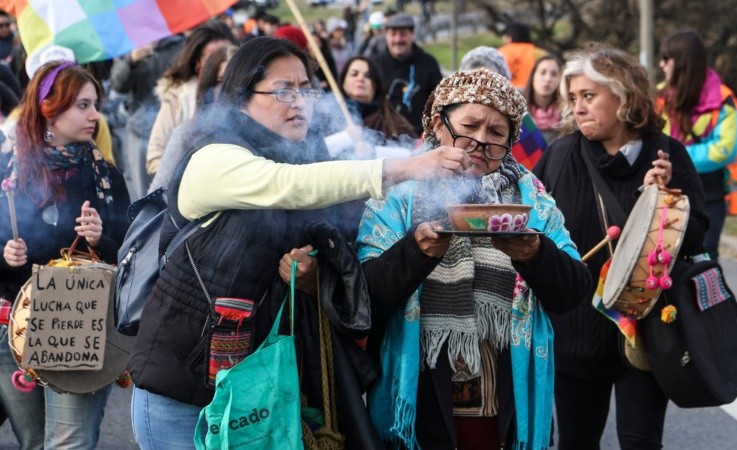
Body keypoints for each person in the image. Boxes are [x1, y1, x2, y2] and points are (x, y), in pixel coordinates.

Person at [127, 37, 472, 449]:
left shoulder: (302, 156)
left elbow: (337, 233)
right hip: (183, 391)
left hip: (257, 390)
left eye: (306, 89)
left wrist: (314, 275)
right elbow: (289, 187)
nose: (300, 102)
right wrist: (408, 167)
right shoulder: (213, 157)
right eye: (283, 91)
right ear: (241, 99)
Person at [356, 68, 592, 449]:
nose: (481, 142)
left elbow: (573, 290)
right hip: (423, 392)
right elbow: (365, 297)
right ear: (438, 122)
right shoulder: (400, 192)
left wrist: (535, 255)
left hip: (506, 399)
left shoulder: (530, 196)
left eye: (496, 133)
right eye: (469, 125)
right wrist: (417, 253)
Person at [532, 44, 708, 450]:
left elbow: (696, 237)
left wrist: (665, 204)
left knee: (640, 443)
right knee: (576, 442)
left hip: (645, 334)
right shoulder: (559, 156)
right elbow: (534, 237)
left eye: (589, 96)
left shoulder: (666, 154)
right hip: (576, 336)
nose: (578, 108)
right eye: (573, 98)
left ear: (624, 96)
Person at [0, 60, 130, 449]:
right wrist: (5, 254)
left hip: (79, 321)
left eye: (95, 104)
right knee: (35, 443)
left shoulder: (104, 175)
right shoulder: (8, 169)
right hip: (11, 325)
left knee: (67, 444)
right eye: (83, 105)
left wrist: (101, 237)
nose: (95, 115)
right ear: (49, 109)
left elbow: (131, 249)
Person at [656, 30, 737, 261]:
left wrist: (678, 156)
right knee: (668, 259)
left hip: (709, 194)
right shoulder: (659, 97)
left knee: (705, 257)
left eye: (667, 59)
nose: (662, 64)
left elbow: (724, 149)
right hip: (668, 190)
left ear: (683, 63)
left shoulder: (723, 99)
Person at [145, 20, 236, 178]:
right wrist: (183, 181)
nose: (223, 62)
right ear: (198, 62)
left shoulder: (252, 96)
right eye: (213, 57)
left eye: (228, 53)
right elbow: (155, 157)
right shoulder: (178, 98)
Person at [109, 34, 184, 199]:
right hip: (140, 130)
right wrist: (131, 61)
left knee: (176, 190)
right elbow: (118, 85)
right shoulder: (129, 46)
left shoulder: (181, 46)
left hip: (175, 128)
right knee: (145, 195)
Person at [460, 46, 548, 171]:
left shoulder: (521, 121)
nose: (481, 89)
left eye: (490, 82)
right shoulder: (450, 116)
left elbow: (540, 171)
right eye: (473, 80)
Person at [322, 55, 417, 159]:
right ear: (343, 82)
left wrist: (374, 152)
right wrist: (345, 137)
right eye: (354, 74)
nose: (360, 78)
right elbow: (313, 152)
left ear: (376, 86)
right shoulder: (327, 116)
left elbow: (413, 155)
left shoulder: (393, 120)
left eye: (368, 76)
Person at [374, 13, 442, 135]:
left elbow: (439, 102)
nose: (398, 40)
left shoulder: (428, 63)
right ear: (386, 35)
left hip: (420, 136)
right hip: (382, 134)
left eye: (403, 34)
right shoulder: (375, 64)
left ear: (412, 34)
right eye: (393, 34)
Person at [523, 54, 562, 144]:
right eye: (543, 72)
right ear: (533, 76)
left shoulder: (567, 118)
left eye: (554, 74)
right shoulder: (517, 112)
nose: (547, 79)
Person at [497, 23, 545, 90]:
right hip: (530, 93)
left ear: (509, 38)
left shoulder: (498, 54)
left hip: (506, 94)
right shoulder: (539, 53)